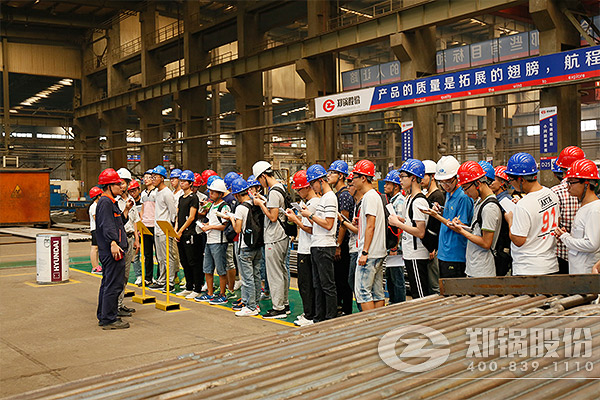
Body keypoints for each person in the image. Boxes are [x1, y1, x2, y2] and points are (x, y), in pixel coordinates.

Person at [505, 152, 560, 275]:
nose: (510, 183)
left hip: (529, 270)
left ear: (521, 179)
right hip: (551, 266)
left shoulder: (524, 205)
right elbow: (555, 221)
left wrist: (510, 220)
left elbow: (518, 241)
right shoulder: (551, 194)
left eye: (511, 179)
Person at [424, 156, 473, 278]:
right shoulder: (449, 195)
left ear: (457, 178)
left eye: (448, 181)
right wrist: (440, 211)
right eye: (442, 182)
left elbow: (460, 227)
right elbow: (449, 218)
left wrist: (436, 216)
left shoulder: (463, 197)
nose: (445, 185)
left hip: (456, 254)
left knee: (455, 293)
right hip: (444, 252)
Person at [300, 164, 338, 322]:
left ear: (320, 181)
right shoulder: (323, 198)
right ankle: (319, 318)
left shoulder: (330, 198)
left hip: (324, 246)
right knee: (318, 285)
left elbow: (329, 224)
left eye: (313, 184)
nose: (312, 188)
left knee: (327, 285)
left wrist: (310, 215)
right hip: (317, 245)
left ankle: (330, 318)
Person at [252, 161, 290, 319]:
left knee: (274, 273)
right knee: (281, 271)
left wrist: (260, 204)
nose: (259, 183)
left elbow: (273, 217)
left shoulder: (274, 191)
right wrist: (265, 200)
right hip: (283, 235)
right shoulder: (280, 187)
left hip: (275, 237)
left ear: (263, 176)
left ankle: (278, 307)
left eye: (259, 180)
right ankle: (285, 303)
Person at [449, 162, 501, 277]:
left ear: (477, 183)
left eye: (466, 189)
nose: (466, 194)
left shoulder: (490, 207)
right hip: (473, 267)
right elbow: (477, 231)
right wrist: (462, 226)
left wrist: (461, 231)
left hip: (482, 271)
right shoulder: (479, 201)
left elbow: (486, 243)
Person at [389, 159, 431, 298]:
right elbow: (413, 224)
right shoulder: (409, 198)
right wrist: (402, 221)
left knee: (420, 295)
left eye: (403, 176)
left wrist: (398, 224)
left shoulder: (419, 200)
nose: (400, 180)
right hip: (410, 253)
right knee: (415, 293)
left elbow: (420, 232)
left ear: (413, 178)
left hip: (417, 255)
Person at [95, 168, 130, 330]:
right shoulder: (105, 202)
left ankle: (104, 315)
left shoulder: (110, 202)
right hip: (112, 251)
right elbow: (107, 226)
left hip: (112, 248)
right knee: (114, 284)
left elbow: (117, 223)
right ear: (109, 186)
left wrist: (126, 211)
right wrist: (113, 243)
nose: (121, 187)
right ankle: (109, 319)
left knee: (108, 283)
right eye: (117, 184)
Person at [351, 160, 387, 310]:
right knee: (377, 293)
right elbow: (370, 223)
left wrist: (364, 252)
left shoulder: (369, 197)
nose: (352, 181)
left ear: (363, 178)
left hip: (369, 254)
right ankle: (379, 325)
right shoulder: (375, 196)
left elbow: (371, 226)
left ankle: (370, 327)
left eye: (354, 177)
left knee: (363, 292)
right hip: (378, 252)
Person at [555, 159, 600, 273]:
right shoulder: (584, 206)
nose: (568, 187)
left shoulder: (595, 210)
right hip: (578, 271)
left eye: (571, 182)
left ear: (586, 183)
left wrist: (566, 238)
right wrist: (567, 235)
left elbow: (591, 244)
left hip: (586, 273)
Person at [286, 170, 319, 326]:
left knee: (307, 285)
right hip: (305, 248)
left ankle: (310, 315)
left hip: (308, 249)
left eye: (299, 189)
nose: (298, 193)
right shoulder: (308, 203)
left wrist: (295, 220)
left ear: (307, 187)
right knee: (304, 284)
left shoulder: (314, 204)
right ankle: (308, 313)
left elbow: (312, 228)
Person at [229, 178, 263, 317]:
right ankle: (256, 304)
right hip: (257, 245)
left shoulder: (240, 208)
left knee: (247, 278)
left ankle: (250, 306)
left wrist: (231, 218)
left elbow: (237, 229)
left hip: (245, 247)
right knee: (256, 276)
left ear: (237, 194)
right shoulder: (255, 204)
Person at [196, 178, 230, 304]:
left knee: (221, 269)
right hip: (210, 241)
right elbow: (213, 221)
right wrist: (206, 225)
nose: (211, 194)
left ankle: (222, 294)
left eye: (214, 192)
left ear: (220, 194)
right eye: (210, 192)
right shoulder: (212, 206)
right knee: (207, 268)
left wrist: (210, 227)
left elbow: (225, 225)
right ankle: (210, 292)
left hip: (219, 242)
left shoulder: (224, 207)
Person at [551, 146, 585, 274]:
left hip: (562, 253)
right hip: (585, 255)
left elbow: (553, 226)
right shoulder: (590, 195)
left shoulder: (555, 192)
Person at [327, 160, 355, 316]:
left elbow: (343, 223)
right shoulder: (336, 194)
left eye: (332, 173)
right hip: (336, 242)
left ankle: (346, 310)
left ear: (341, 176)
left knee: (342, 278)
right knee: (337, 278)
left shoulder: (344, 195)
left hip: (342, 244)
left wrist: (338, 244)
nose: (329, 175)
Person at [149, 165, 180, 291]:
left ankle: (170, 282)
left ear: (162, 178)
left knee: (169, 257)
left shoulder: (167, 193)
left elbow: (173, 213)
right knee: (160, 258)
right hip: (157, 229)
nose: (152, 179)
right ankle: (162, 280)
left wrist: (170, 227)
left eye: (155, 177)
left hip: (165, 230)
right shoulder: (157, 193)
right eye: (152, 177)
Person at [115, 168, 139, 316]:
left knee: (125, 274)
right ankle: (115, 306)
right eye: (121, 183)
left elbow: (134, 220)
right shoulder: (114, 201)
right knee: (118, 274)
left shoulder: (131, 200)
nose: (123, 186)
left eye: (125, 183)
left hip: (130, 238)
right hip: (119, 240)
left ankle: (120, 303)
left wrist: (137, 239)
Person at [174, 170, 201, 298]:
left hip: (190, 233)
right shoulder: (181, 198)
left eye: (184, 181)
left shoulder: (193, 198)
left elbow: (191, 217)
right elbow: (178, 215)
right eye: (181, 181)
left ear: (190, 183)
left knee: (192, 261)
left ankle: (197, 287)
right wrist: (175, 230)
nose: (182, 183)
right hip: (180, 234)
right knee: (184, 261)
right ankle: (189, 286)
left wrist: (180, 231)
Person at [382, 169, 406, 304]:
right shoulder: (393, 201)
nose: (385, 186)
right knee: (391, 277)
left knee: (397, 278)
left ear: (396, 186)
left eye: (388, 184)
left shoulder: (400, 202)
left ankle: (400, 305)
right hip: (392, 246)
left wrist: (395, 246)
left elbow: (399, 226)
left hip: (396, 248)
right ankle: (393, 302)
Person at [421, 159, 444, 294]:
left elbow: (437, 224)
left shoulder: (438, 196)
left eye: (424, 176)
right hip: (427, 245)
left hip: (433, 247)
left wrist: (433, 247)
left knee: (434, 284)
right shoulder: (427, 195)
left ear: (432, 177)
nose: (421, 179)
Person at [140, 169, 158, 286]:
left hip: (155, 226)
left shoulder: (157, 193)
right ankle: (148, 278)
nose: (145, 180)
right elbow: (142, 209)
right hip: (145, 226)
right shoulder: (143, 194)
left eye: (148, 177)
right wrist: (142, 221)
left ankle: (160, 278)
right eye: (144, 178)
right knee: (147, 254)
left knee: (159, 255)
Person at [127, 180, 143, 285]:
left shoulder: (144, 200)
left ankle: (149, 277)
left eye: (134, 190)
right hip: (135, 231)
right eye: (130, 191)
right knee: (136, 255)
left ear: (138, 189)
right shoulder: (129, 202)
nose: (133, 193)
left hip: (146, 230)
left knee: (147, 254)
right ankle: (139, 276)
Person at [89, 186, 103, 275]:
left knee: (97, 248)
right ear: (98, 196)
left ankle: (97, 266)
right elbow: (97, 219)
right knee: (95, 248)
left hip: (97, 229)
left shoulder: (97, 205)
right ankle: (94, 267)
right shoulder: (94, 206)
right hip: (95, 229)